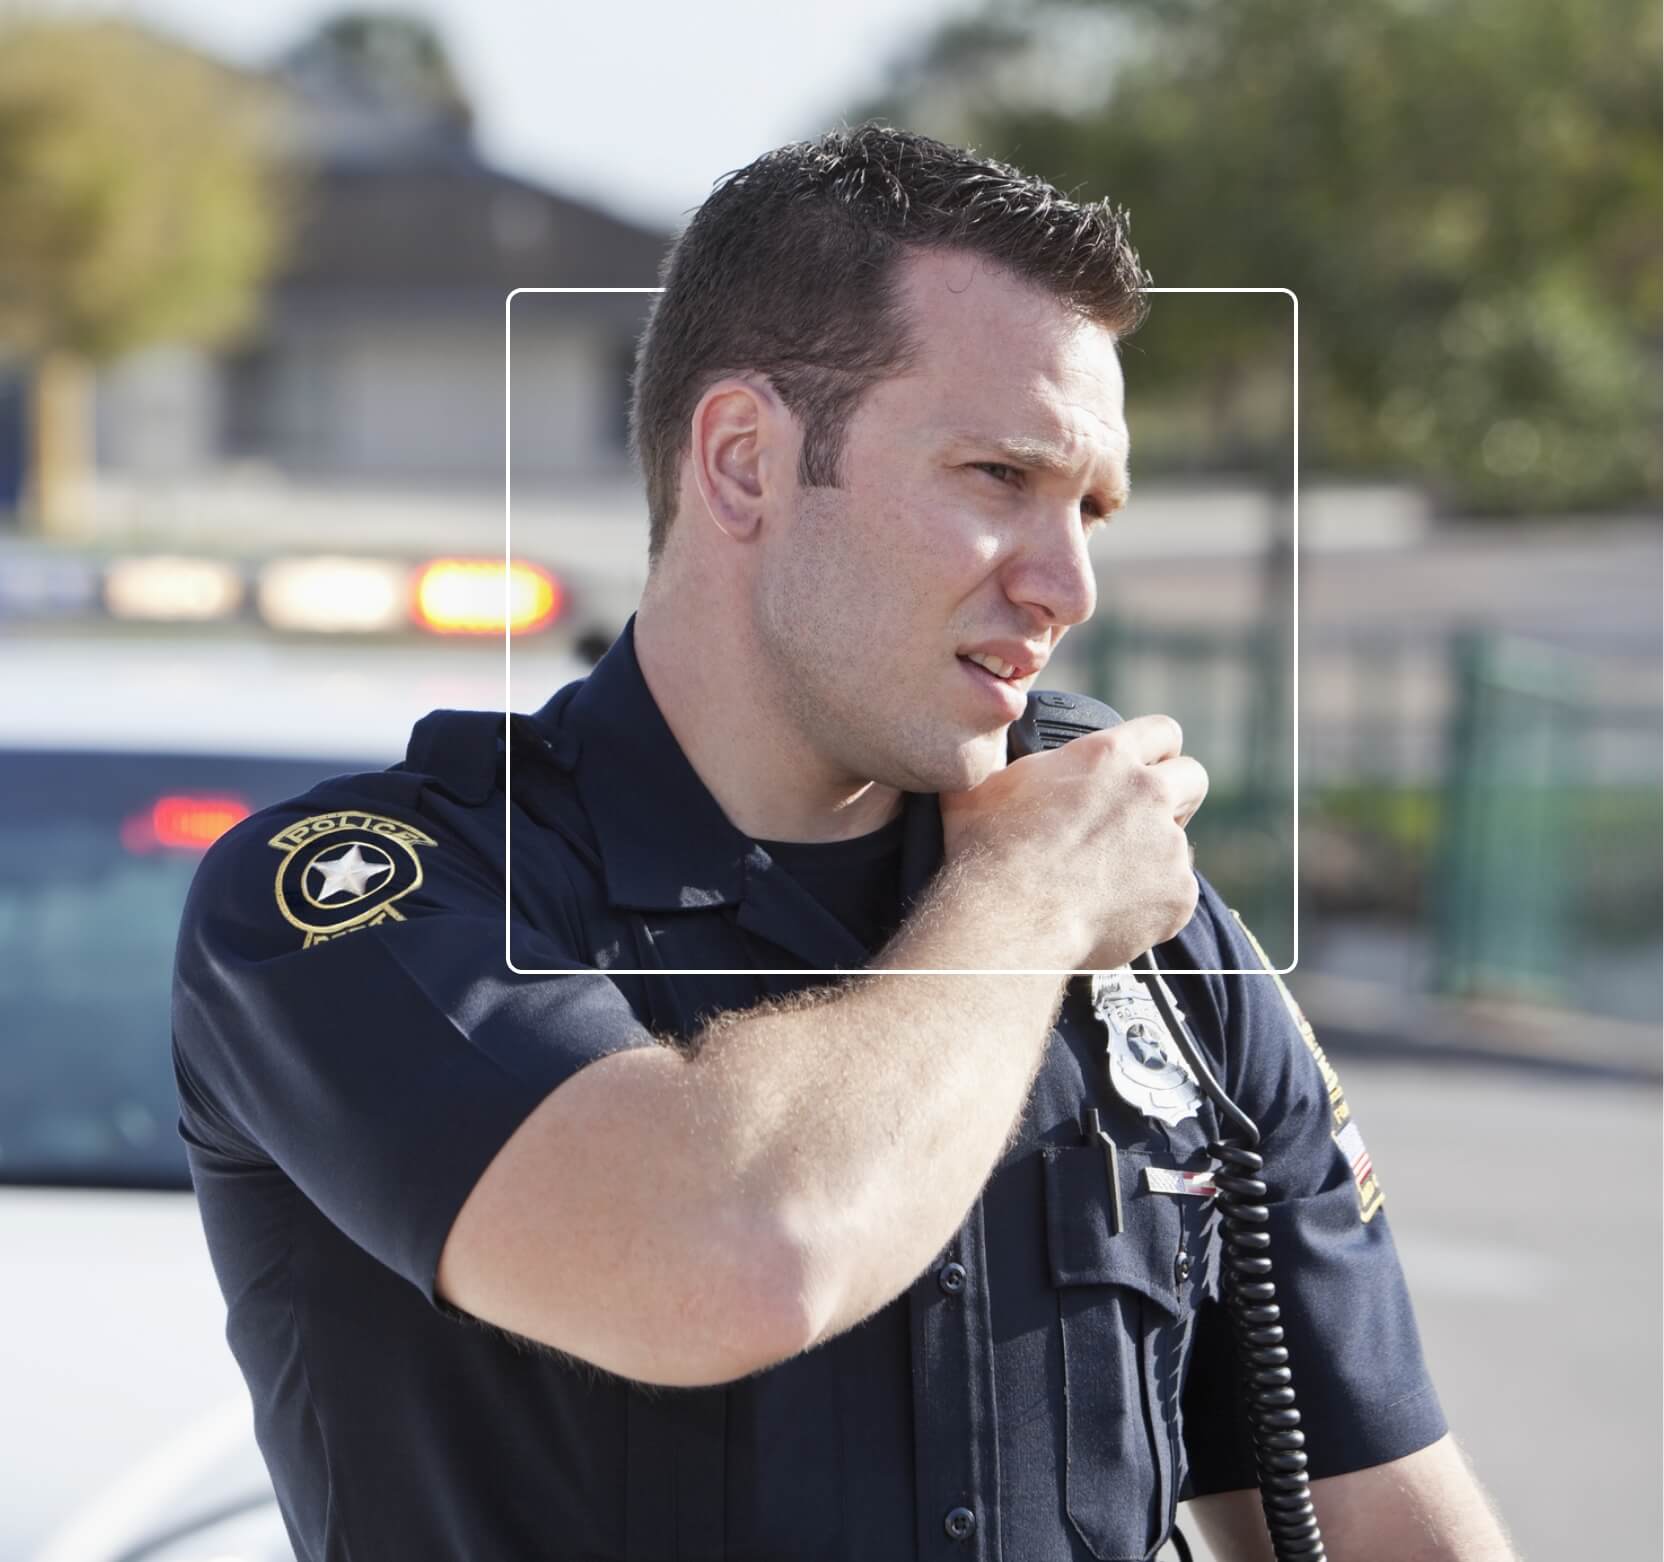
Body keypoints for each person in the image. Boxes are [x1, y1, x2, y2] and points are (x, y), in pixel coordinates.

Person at [172, 123, 1518, 1562]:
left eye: (1093, 507)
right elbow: (730, 1254)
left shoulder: (1152, 932)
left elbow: (1399, 1531)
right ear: (746, 463)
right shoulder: (363, 902)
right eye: (998, 476)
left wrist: (1047, 893)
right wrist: (1025, 901)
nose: (1066, 584)